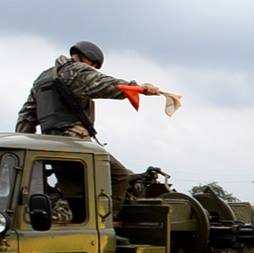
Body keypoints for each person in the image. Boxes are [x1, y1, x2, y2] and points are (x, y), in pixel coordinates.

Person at [15, 40, 160, 215]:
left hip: (50, 146)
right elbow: (106, 84)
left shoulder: (43, 78)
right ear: (86, 59)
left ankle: (78, 221)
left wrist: (24, 146)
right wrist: (139, 88)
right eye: (94, 66)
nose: (93, 69)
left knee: (74, 190)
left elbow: (26, 115)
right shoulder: (76, 71)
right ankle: (106, 221)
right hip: (74, 142)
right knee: (120, 175)